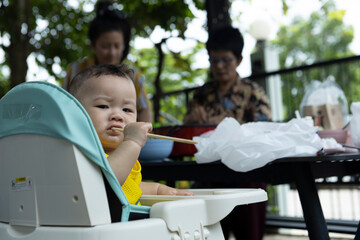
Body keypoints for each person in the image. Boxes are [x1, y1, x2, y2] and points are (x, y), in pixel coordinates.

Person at [69, 64, 193, 219]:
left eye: (127, 110)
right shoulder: (81, 155)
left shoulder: (122, 157)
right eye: (103, 106)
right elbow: (107, 184)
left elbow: (128, 187)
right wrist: (133, 142)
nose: (118, 116)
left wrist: (159, 190)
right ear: (75, 113)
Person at [184, 25, 272, 240]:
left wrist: (223, 126)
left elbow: (263, 133)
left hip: (246, 176)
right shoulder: (201, 94)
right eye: (214, 60)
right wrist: (190, 121)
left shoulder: (253, 92)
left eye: (226, 60)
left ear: (239, 60)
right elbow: (187, 134)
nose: (219, 66)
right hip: (210, 175)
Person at [63, 0, 152, 122]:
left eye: (117, 46)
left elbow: (144, 110)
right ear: (93, 45)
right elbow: (63, 104)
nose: (112, 52)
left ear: (124, 46)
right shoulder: (75, 71)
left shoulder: (133, 76)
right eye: (105, 46)